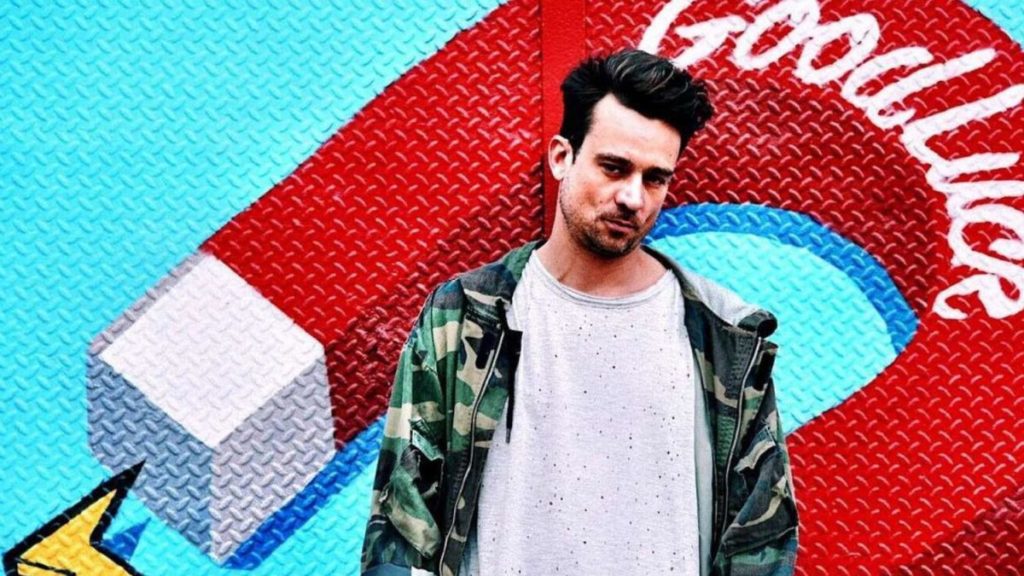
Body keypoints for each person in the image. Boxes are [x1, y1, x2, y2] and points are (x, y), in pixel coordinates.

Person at [361, 49, 798, 576]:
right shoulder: (467, 316)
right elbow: (402, 525)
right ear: (561, 157)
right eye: (614, 167)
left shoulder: (725, 338)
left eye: (654, 178)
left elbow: (761, 543)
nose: (632, 198)